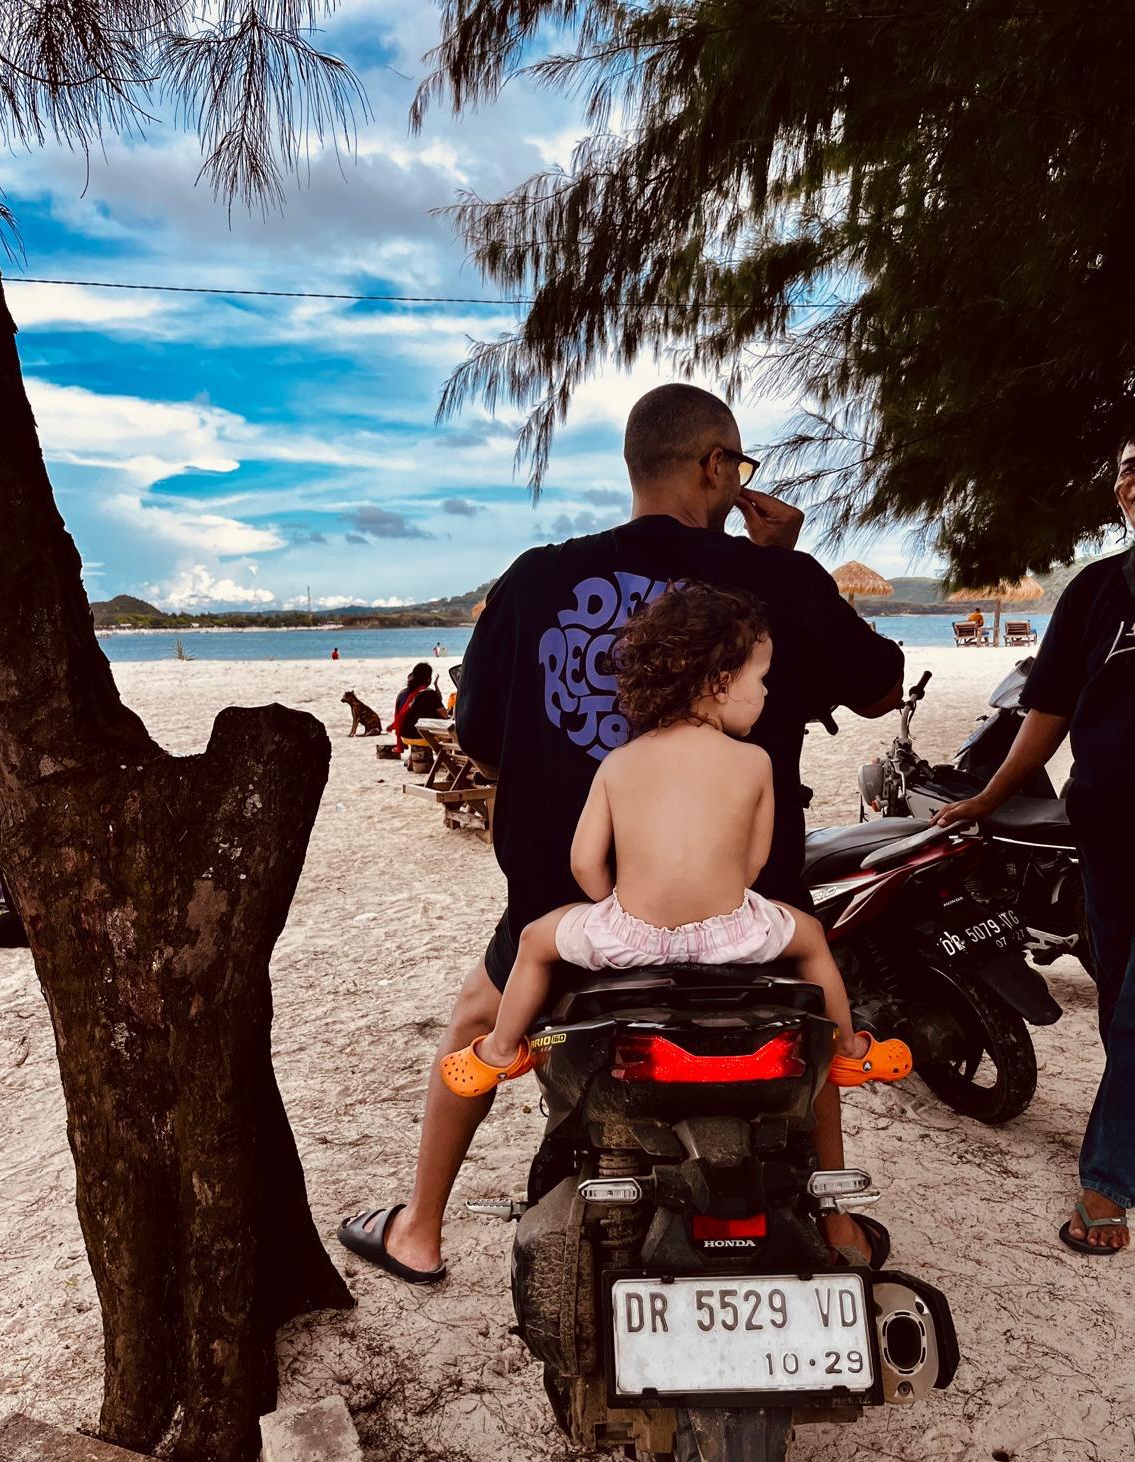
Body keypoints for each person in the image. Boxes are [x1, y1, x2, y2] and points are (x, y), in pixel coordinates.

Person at [338, 382, 904, 1284]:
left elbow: (480, 736)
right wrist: (791, 561)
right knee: (809, 1020)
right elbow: (880, 688)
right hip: (745, 906)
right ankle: (836, 1230)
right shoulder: (779, 582)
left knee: (478, 1017)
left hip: (580, 909)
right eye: (740, 464)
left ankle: (420, 1232)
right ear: (718, 468)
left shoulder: (531, 581)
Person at [440, 583, 910, 1112]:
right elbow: (754, 863)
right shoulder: (755, 762)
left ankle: (501, 1051)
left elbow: (584, 861)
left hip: (631, 936)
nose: (768, 693)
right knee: (810, 939)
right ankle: (848, 1050)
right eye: (761, 678)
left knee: (533, 940)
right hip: (732, 936)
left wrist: (608, 902)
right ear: (720, 681)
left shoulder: (620, 763)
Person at [935, 428, 1135, 1256]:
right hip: (1109, 820)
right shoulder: (1096, 591)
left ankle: (1110, 1178)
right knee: (1119, 988)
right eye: (1128, 469)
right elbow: (1047, 711)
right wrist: (990, 793)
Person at [388, 663, 447, 753]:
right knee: (449, 734)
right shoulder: (429, 694)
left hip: (404, 736)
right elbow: (445, 715)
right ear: (428, 678)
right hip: (422, 737)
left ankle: (412, 760)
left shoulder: (403, 693)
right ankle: (448, 760)